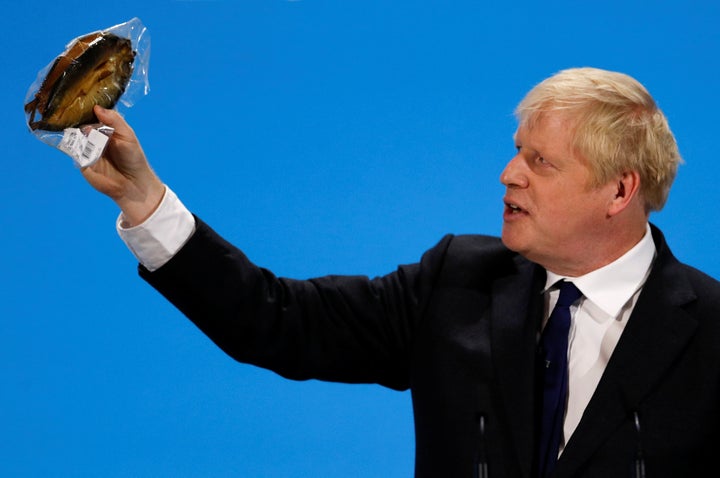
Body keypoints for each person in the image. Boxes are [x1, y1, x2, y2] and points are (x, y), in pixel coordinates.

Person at [81, 67, 720, 477]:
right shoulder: (458, 283)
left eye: (541, 162)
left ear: (619, 191)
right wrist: (144, 203)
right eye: (516, 151)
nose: (508, 174)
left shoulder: (711, 331)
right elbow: (275, 319)